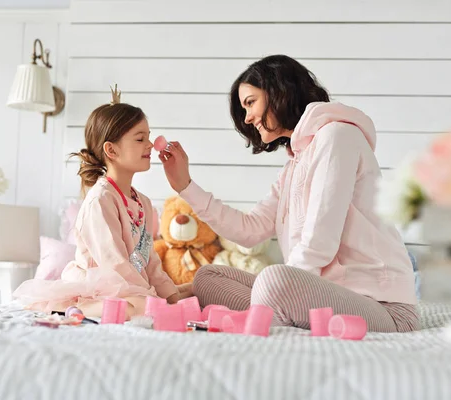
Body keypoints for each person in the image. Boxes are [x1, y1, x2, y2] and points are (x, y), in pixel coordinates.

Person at [159, 55, 419, 332]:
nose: (247, 118)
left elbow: (321, 241)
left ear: (278, 92)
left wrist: (284, 286)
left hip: (383, 307)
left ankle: (264, 315)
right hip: (322, 296)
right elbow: (250, 229)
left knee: (274, 280)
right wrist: (184, 185)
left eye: (250, 103)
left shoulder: (337, 137)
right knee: (207, 277)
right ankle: (272, 313)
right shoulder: (295, 163)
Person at [13, 89, 188, 319]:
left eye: (149, 137)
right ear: (111, 150)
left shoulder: (142, 202)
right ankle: (68, 307)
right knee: (143, 307)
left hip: (129, 288)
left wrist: (171, 296)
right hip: (98, 287)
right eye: (140, 138)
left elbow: (150, 261)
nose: (150, 145)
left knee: (186, 292)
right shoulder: (100, 200)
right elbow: (114, 264)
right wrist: (154, 299)